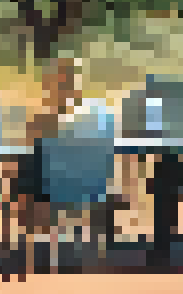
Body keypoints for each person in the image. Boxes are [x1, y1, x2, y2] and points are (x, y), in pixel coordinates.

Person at [20, 56, 118, 274]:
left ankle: (35, 252)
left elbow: (28, 165)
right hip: (95, 194)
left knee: (26, 172)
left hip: (55, 194)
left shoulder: (38, 123)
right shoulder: (100, 116)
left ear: (48, 87)